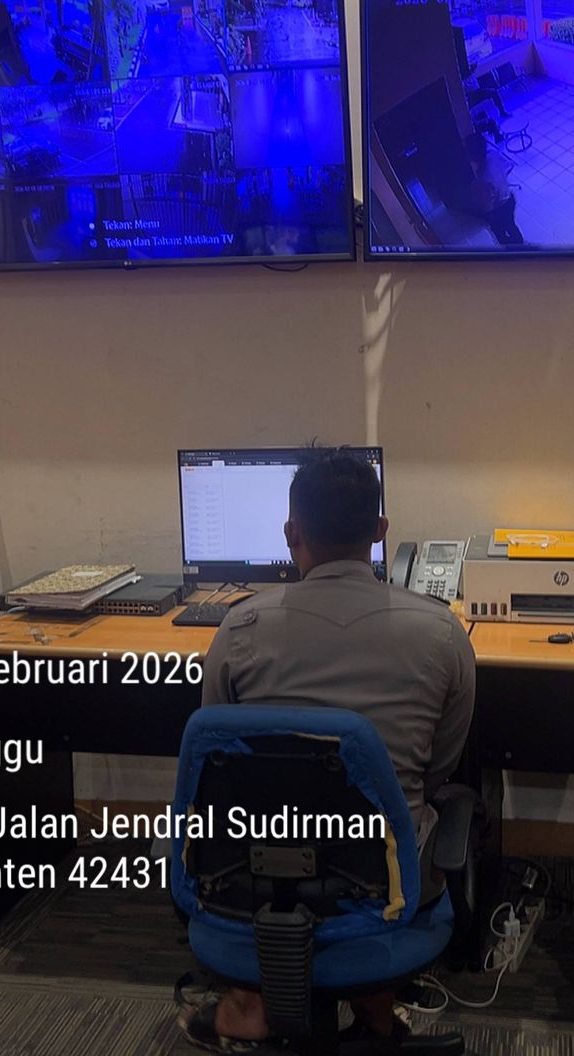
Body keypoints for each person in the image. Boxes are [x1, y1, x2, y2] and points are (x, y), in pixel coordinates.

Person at [180, 447, 477, 1053]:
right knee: (405, 813)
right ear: (381, 531)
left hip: (251, 875)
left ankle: (248, 1008)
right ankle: (375, 1019)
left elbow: (213, 755)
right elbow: (439, 764)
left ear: (291, 534)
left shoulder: (238, 629)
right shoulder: (443, 634)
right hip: (387, 882)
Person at [465, 131, 524, 245]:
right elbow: (506, 167)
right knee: (511, 226)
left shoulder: (482, 179)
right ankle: (521, 246)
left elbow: (487, 207)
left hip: (499, 209)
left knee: (500, 234)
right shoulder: (493, 154)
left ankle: (513, 251)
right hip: (509, 198)